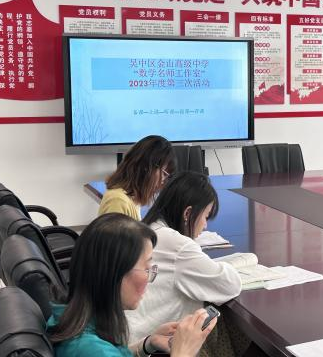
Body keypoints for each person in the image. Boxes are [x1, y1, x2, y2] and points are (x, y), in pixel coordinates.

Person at [47, 213, 216, 357]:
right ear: (114, 275)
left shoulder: (68, 315)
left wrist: (148, 344)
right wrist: (183, 351)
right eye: (146, 268)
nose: (149, 277)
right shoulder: (91, 350)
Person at [127, 171, 243, 355]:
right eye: (206, 217)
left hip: (134, 340)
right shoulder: (178, 245)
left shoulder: (148, 228)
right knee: (233, 329)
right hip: (155, 346)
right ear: (188, 213)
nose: (205, 225)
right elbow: (229, 285)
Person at [98, 135, 176, 220]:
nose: (163, 181)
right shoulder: (118, 201)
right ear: (147, 167)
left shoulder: (132, 200)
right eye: (164, 174)